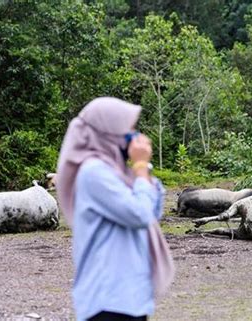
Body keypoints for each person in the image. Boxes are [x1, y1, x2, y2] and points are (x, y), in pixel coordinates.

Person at [56, 97, 175, 321]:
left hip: (130, 297)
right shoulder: (94, 172)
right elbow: (139, 214)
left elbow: (152, 212)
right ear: (108, 132)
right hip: (109, 299)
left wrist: (142, 171)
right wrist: (140, 167)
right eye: (128, 128)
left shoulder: (117, 172)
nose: (134, 135)